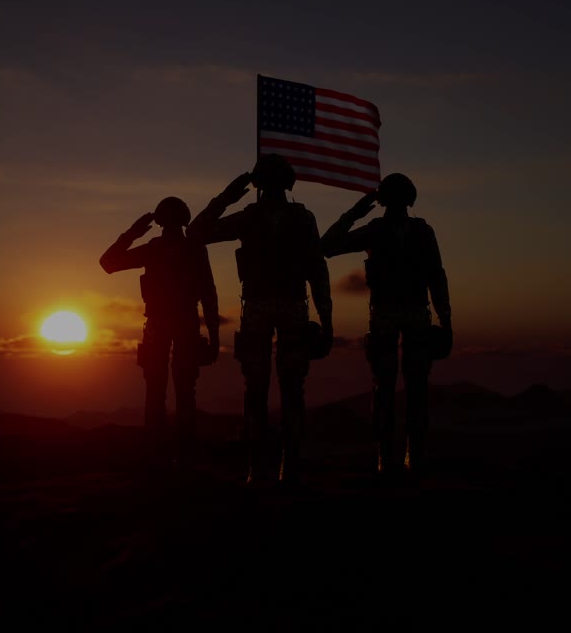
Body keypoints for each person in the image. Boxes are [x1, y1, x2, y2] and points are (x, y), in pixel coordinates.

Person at [188, 154, 333, 484]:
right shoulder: (284, 218)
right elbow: (318, 270)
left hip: (271, 308)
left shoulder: (257, 218)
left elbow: (197, 232)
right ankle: (276, 465)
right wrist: (326, 317)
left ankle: (272, 465)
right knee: (277, 387)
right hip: (280, 308)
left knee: (266, 388)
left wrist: (227, 196)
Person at [321, 173, 451, 477]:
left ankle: (406, 457)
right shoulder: (383, 231)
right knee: (391, 388)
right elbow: (327, 246)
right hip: (393, 316)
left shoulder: (410, 232)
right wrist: (354, 214)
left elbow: (436, 276)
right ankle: (391, 458)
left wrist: (445, 320)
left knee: (406, 388)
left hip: (407, 315)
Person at [100, 196, 220, 469]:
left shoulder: (155, 249)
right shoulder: (192, 248)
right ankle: (182, 455)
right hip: (182, 324)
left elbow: (108, 262)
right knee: (183, 390)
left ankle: (157, 456)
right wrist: (213, 333)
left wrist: (132, 233)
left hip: (162, 325)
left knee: (157, 390)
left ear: (160, 220)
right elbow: (209, 293)